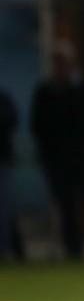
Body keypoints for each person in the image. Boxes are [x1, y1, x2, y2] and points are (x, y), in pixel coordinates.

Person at [30, 40, 84, 259]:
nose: (60, 66)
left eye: (63, 62)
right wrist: (48, 151)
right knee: (66, 206)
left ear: (72, 63)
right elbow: (37, 124)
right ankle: (73, 248)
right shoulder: (46, 91)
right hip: (57, 158)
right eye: (56, 62)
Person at [0, 86, 20, 261]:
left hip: (2, 159)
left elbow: (11, 121)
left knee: (4, 208)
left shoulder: (3, 99)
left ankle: (7, 250)